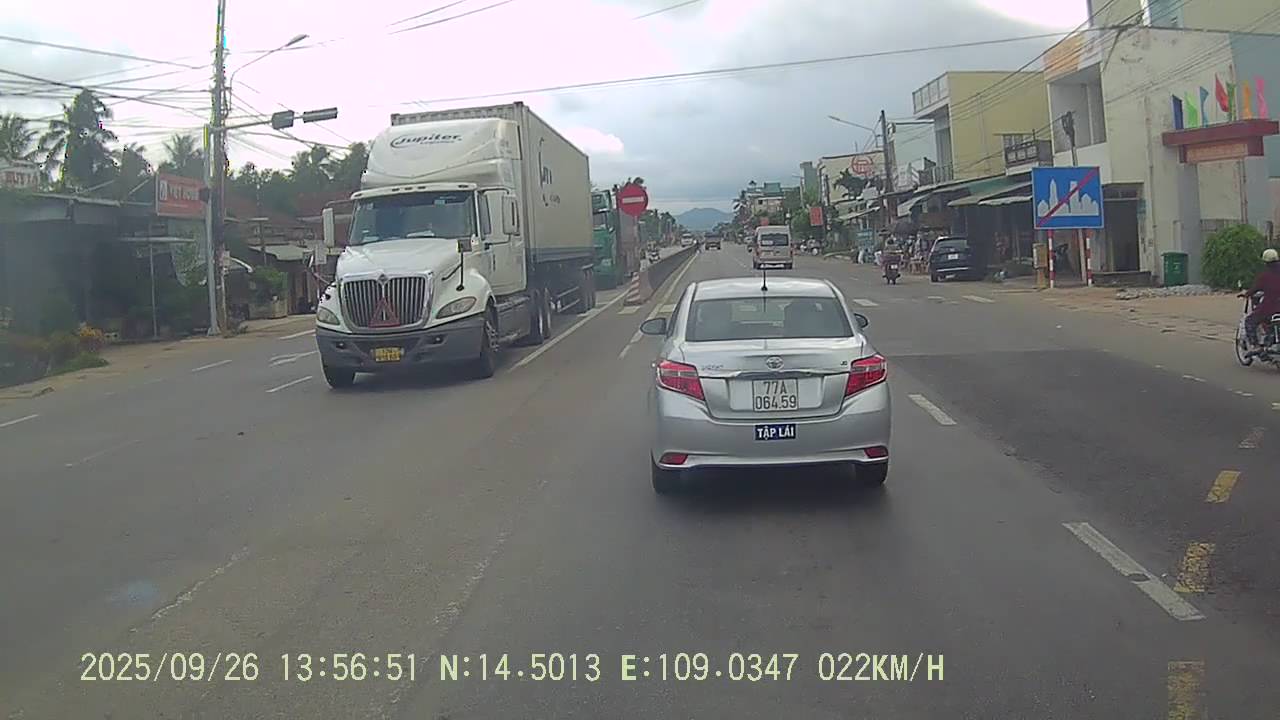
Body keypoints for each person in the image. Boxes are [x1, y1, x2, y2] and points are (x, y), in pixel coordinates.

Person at [1242, 248, 1280, 349]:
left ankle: (1256, 346)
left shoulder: (1265, 276)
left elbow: (1255, 288)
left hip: (1270, 308)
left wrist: (1246, 294)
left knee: (1249, 321)